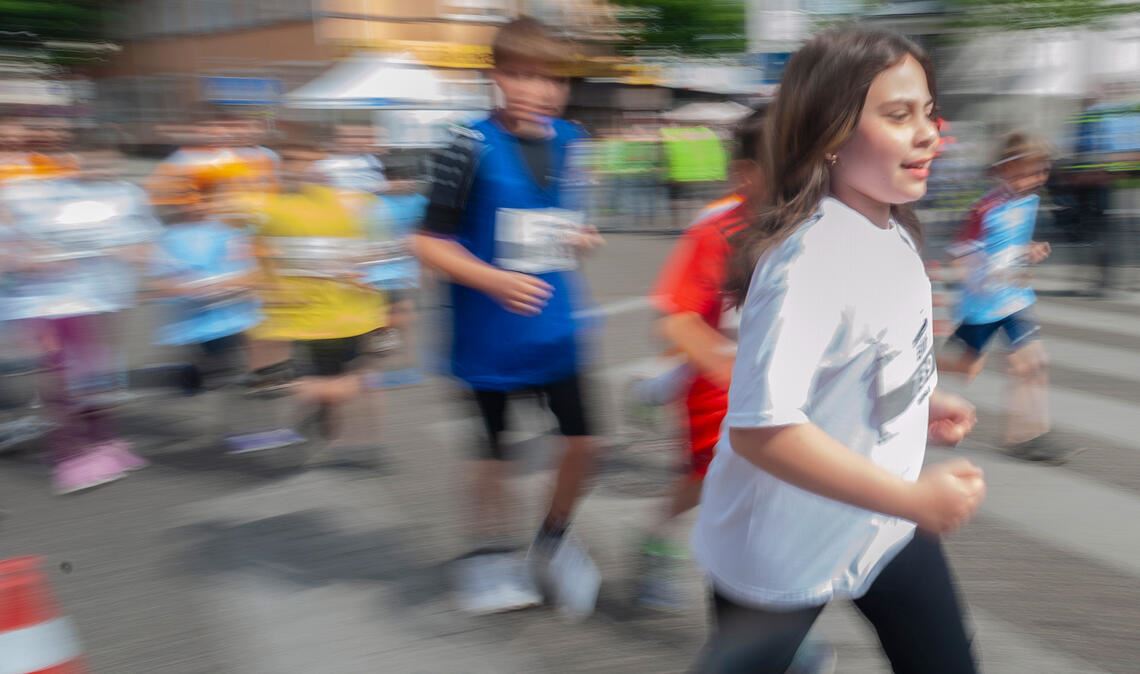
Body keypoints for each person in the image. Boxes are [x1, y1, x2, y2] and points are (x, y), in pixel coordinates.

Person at [691, 27, 985, 673]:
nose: (929, 134)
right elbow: (762, 432)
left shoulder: (891, 227)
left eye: (929, 111)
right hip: (783, 546)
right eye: (898, 115)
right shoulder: (810, 260)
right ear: (831, 134)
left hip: (880, 524)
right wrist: (914, 501)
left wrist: (924, 401)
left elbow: (873, 354)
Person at [411, 16, 604, 617]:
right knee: (492, 452)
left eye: (552, 78)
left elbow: (563, 215)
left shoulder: (572, 140)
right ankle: (489, 554)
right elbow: (425, 242)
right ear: (496, 76)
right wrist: (492, 279)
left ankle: (553, 538)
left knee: (585, 443)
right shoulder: (465, 144)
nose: (538, 90)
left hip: (555, 326)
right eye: (522, 75)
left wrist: (580, 236)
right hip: (488, 334)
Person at [632, 108, 766, 608]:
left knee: (772, 496)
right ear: (746, 173)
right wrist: (724, 367)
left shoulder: (815, 221)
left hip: (784, 389)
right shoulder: (717, 230)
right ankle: (656, 538)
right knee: (709, 487)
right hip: (717, 394)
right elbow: (674, 318)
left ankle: (769, 621)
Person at [938, 132, 1075, 464]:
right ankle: (915, 367)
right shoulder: (986, 208)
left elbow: (1010, 244)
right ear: (1009, 168)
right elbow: (961, 253)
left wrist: (1028, 250)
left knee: (1033, 363)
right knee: (967, 367)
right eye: (1032, 170)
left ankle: (1026, 437)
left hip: (1014, 299)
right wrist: (981, 275)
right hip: (983, 306)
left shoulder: (1028, 201)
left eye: (1042, 171)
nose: (1038, 178)